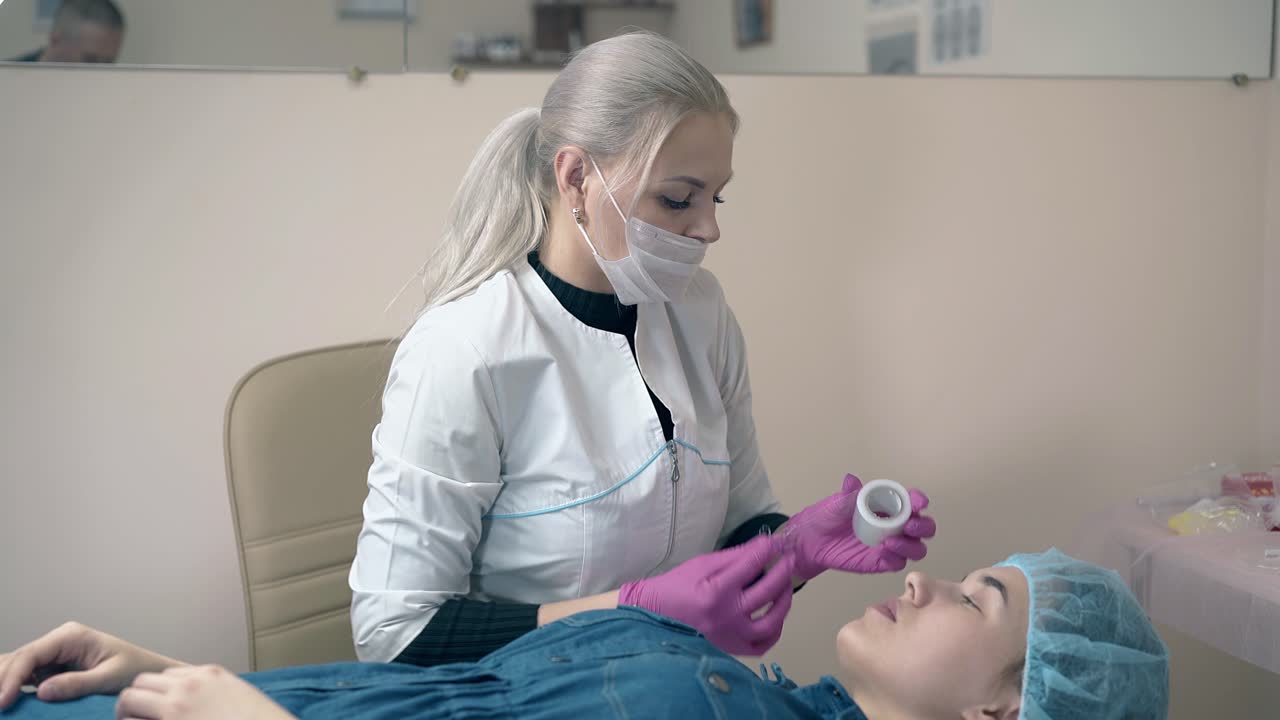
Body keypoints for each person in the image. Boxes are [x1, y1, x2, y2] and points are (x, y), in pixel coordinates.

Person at [348, 29, 936, 667]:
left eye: (716, 197)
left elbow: (737, 529)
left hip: (672, 685)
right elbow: (394, 634)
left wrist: (792, 549)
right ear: (575, 179)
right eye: (678, 198)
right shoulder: (466, 350)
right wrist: (628, 612)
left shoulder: (701, 314)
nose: (709, 227)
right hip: (520, 700)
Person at [0, 548, 1170, 719]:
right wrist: (167, 674)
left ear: (1003, 708)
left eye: (971, 601)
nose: (917, 580)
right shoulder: (747, 688)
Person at [8, 0, 125, 64]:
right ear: (56, 40)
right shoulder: (6, 82)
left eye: (108, 63)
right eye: (90, 60)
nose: (101, 74)